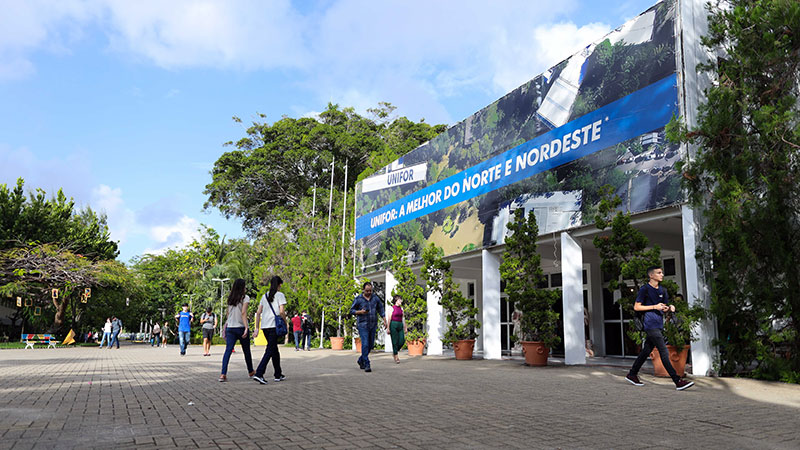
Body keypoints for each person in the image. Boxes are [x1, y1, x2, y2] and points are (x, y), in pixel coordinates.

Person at [625, 266, 694, 391]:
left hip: (658, 324)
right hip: (649, 324)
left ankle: (632, 374)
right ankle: (677, 381)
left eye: (662, 272)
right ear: (651, 276)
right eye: (659, 273)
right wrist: (654, 307)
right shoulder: (644, 289)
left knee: (646, 351)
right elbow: (636, 307)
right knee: (663, 351)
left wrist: (670, 308)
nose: (662, 274)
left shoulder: (663, 290)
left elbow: (664, 307)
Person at [252, 276, 287, 384]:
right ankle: (259, 373)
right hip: (274, 326)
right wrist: (285, 322)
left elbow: (258, 313)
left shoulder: (264, 296)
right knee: (270, 350)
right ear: (279, 284)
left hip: (265, 326)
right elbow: (281, 312)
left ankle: (278, 374)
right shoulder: (280, 295)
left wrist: (257, 328)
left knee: (274, 349)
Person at [219, 279, 255, 381]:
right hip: (240, 327)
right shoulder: (245, 298)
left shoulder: (230, 298)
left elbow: (227, 313)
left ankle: (223, 374)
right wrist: (246, 327)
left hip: (230, 327)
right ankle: (251, 371)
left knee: (228, 351)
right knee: (246, 351)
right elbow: (243, 312)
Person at [349, 282, 389, 373]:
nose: (369, 292)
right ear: (363, 290)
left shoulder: (375, 298)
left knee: (370, 345)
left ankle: (361, 360)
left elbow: (380, 309)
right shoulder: (358, 299)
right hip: (363, 325)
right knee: (365, 344)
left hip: (373, 324)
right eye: (367, 290)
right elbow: (351, 310)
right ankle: (367, 364)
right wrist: (360, 312)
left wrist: (384, 319)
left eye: (370, 290)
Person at [387, 295, 407, 364]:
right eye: (399, 300)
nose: (401, 301)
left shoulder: (401, 309)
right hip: (393, 325)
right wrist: (388, 328)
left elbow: (403, 318)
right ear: (396, 301)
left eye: (401, 300)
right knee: (394, 341)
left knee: (402, 340)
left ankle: (395, 352)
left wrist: (405, 327)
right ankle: (396, 356)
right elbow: (389, 318)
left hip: (400, 324)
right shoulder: (391, 308)